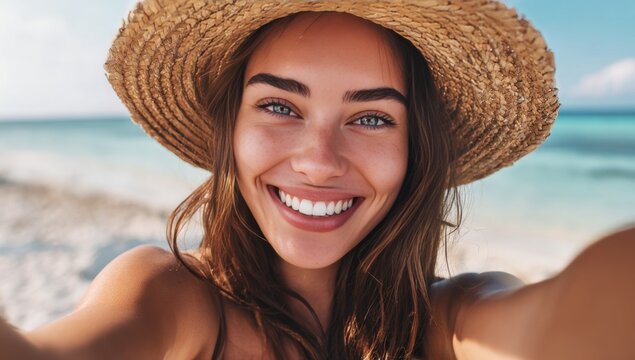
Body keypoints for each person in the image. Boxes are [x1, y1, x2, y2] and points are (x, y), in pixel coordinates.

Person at [1, 0, 634, 359]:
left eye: (370, 117)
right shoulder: (171, 297)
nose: (320, 160)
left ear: (418, 150)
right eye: (280, 105)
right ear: (230, 130)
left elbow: (567, 322)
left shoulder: (449, 320)